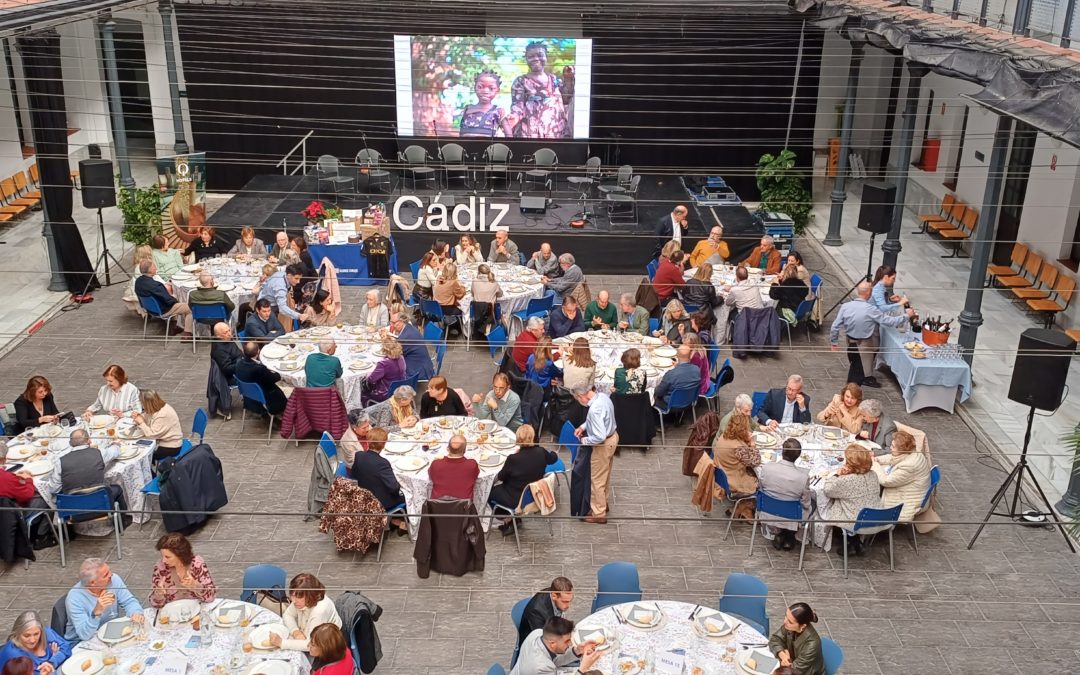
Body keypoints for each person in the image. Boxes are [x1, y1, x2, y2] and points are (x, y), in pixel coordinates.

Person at [830, 280, 914, 388]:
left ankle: (851, 393)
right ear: (869, 293)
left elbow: (835, 326)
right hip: (863, 346)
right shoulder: (870, 310)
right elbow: (889, 321)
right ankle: (849, 397)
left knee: (855, 368)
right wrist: (906, 316)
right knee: (856, 376)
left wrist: (834, 342)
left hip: (850, 344)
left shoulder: (845, 306)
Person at [489, 424, 557, 533]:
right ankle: (513, 519)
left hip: (516, 498)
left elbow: (501, 477)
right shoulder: (541, 452)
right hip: (534, 494)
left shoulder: (513, 459)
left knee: (489, 490)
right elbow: (553, 458)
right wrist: (551, 451)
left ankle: (508, 519)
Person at [819, 445, 881, 556]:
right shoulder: (874, 475)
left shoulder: (847, 480)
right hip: (875, 518)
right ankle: (855, 542)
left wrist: (837, 474)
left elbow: (828, 490)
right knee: (848, 501)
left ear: (850, 463)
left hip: (856, 521)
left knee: (835, 503)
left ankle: (851, 542)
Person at [65, 558, 145, 642]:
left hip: (111, 633)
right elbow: (84, 635)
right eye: (106, 575)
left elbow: (129, 601)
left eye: (109, 571)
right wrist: (96, 613)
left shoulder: (114, 580)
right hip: (82, 643)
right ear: (92, 583)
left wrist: (136, 612)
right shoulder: (74, 599)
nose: (111, 575)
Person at [573, 383, 618, 525]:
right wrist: (583, 426)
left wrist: (584, 440)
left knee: (597, 479)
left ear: (581, 396)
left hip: (602, 446)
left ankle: (598, 513)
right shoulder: (603, 397)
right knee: (606, 474)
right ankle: (603, 502)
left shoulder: (594, 410)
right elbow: (597, 420)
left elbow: (599, 437)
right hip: (614, 437)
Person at [349, 428, 407, 532]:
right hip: (380, 501)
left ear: (368, 441)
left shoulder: (359, 455)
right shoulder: (383, 463)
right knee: (408, 494)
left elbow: (354, 474)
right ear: (383, 445)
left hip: (363, 495)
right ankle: (400, 522)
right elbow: (394, 488)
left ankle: (395, 521)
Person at [758, 439, 811, 551]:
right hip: (791, 516)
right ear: (798, 456)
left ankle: (782, 534)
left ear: (782, 451)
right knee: (811, 504)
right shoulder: (803, 478)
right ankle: (789, 535)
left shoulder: (766, 468)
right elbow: (806, 504)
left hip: (768, 510)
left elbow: (761, 489)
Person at [270, 573, 343, 652]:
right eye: (292, 595)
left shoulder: (320, 611)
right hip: (308, 636)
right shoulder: (301, 600)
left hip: (329, 645)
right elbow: (288, 614)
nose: (293, 601)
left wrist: (281, 642)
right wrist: (295, 631)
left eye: (298, 597)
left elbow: (310, 645)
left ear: (310, 595)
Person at [872, 430, 932, 522]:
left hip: (907, 502)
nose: (890, 448)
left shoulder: (909, 465)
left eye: (893, 446)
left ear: (901, 450)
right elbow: (892, 457)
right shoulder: (911, 452)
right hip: (910, 491)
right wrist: (877, 459)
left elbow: (886, 481)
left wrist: (874, 465)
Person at [711, 410, 761, 517]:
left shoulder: (724, 436)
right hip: (734, 480)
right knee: (762, 480)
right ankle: (745, 507)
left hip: (723, 475)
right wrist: (752, 444)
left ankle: (743, 507)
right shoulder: (738, 447)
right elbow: (755, 461)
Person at [512, 616, 601, 675]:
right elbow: (547, 665)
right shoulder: (541, 668)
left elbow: (553, 660)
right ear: (552, 643)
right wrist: (582, 669)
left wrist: (577, 650)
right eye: (566, 641)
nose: (570, 644)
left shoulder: (537, 633)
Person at [148, 533, 216, 607]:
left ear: (180, 555)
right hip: (173, 611)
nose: (163, 560)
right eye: (162, 556)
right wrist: (159, 593)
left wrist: (195, 585)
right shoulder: (160, 568)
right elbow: (155, 604)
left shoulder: (196, 563)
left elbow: (210, 597)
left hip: (197, 609)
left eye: (168, 557)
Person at [134, 260, 193, 338]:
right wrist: (176, 300)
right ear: (150, 270)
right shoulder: (156, 285)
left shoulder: (138, 282)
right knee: (190, 308)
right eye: (154, 267)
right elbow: (168, 301)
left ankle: (177, 325)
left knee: (176, 301)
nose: (156, 268)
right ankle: (187, 333)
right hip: (163, 310)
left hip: (148, 308)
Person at [0, 611, 71, 675]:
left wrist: (52, 662)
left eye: (36, 634)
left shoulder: (45, 633)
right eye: (26, 635)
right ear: (17, 633)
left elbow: (67, 648)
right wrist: (56, 656)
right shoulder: (14, 655)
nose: (32, 640)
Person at [516, 577, 574, 648]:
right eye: (565, 602)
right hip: (534, 644)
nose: (568, 605)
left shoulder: (553, 591)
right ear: (554, 596)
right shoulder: (536, 611)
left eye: (570, 601)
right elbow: (543, 640)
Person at [769, 603, 824, 675]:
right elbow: (775, 639)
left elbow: (795, 670)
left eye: (790, 621)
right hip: (792, 664)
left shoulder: (812, 643)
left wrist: (786, 662)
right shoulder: (790, 625)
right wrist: (782, 654)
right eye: (786, 616)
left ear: (803, 626)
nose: (785, 621)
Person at [235, 341, 289, 415]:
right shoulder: (258, 369)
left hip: (248, 395)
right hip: (266, 397)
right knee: (287, 385)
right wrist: (276, 373)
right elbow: (276, 378)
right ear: (258, 351)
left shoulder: (239, 363)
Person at [133, 390, 184, 462]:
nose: (141, 405)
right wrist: (141, 416)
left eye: (142, 403)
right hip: (163, 441)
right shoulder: (157, 407)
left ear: (147, 404)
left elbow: (152, 435)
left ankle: (150, 472)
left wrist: (141, 423)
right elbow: (149, 415)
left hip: (171, 446)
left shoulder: (162, 415)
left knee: (142, 456)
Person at [459, 70, 514, 136]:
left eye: (491, 88)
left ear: (497, 90)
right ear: (474, 87)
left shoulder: (498, 112)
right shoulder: (467, 109)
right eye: (480, 87)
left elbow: (509, 135)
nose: (485, 91)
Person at [429, 435, 480, 500]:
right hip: (464, 508)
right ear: (465, 450)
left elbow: (431, 475)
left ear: (448, 448)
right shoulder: (472, 464)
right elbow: (476, 473)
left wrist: (436, 460)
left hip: (437, 506)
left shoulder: (436, 464)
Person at [388, 311, 434, 381]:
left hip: (419, 371)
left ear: (401, 321)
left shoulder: (405, 337)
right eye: (391, 322)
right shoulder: (409, 327)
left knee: (389, 369)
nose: (392, 325)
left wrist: (386, 339)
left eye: (394, 323)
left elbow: (393, 355)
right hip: (424, 365)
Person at [362, 337, 405, 403]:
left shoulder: (384, 363)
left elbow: (371, 379)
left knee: (363, 391)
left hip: (386, 394)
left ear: (385, 350)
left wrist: (368, 375)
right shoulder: (401, 358)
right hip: (401, 389)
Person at [469, 262, 503, 339]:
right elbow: (501, 294)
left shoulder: (474, 281)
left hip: (476, 313)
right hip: (489, 313)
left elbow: (472, 293)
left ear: (479, 272)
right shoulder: (494, 283)